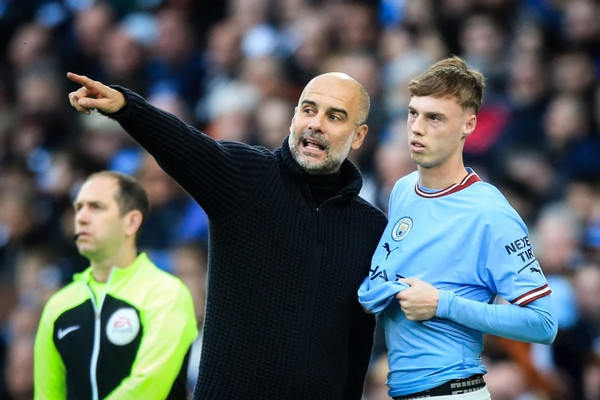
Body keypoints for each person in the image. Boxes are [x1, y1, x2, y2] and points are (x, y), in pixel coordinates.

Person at [66, 71, 388, 399]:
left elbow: (357, 343)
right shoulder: (249, 179)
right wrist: (125, 106)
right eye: (308, 109)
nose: (316, 123)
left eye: (334, 116)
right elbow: (185, 147)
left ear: (359, 135)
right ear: (293, 118)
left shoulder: (370, 227)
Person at [358, 56, 558, 400]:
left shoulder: (490, 212)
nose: (417, 127)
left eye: (434, 117)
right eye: (413, 113)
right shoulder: (403, 190)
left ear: (469, 124)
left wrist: (443, 304)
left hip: (454, 391)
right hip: (400, 391)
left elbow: (543, 324)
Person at [33, 171, 198, 399]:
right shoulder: (59, 305)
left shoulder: (165, 293)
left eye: (96, 207)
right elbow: (46, 394)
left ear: (131, 222)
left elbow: (149, 386)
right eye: (79, 207)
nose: (81, 217)